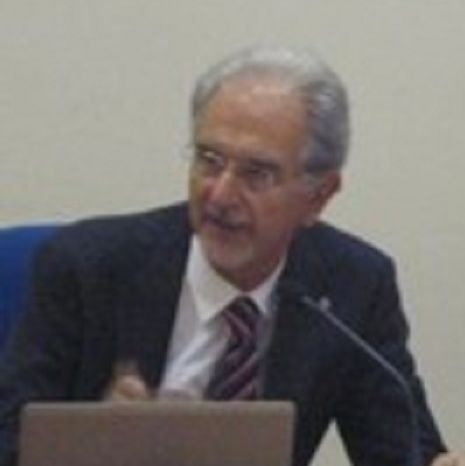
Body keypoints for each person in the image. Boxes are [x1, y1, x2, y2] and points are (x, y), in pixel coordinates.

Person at [0, 45, 462, 466]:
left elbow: (401, 450)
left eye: (256, 173)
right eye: (209, 160)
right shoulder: (86, 267)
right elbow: (9, 440)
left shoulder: (353, 286)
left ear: (319, 195)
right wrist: (97, 448)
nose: (220, 195)